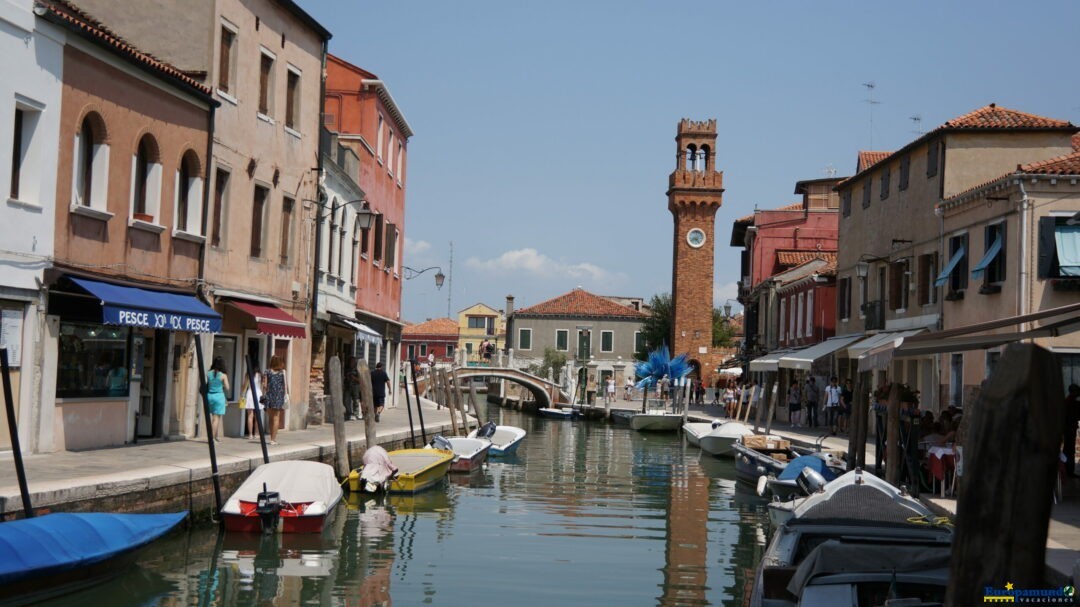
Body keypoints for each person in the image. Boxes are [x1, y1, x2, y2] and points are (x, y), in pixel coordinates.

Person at [263, 356, 289, 445]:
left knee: (270, 417)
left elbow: (265, 386)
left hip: (269, 396)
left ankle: (271, 437)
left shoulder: (267, 371)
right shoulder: (282, 372)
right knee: (276, 417)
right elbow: (285, 385)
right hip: (278, 396)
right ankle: (273, 439)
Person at [206, 356, 230, 443]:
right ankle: (212, 439)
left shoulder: (209, 373)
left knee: (213, 417)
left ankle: (215, 437)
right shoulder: (223, 375)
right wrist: (222, 385)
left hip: (210, 396)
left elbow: (207, 384)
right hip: (219, 396)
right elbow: (227, 387)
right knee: (216, 419)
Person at [240, 369, 262, 438]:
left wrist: (241, 393)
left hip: (250, 393)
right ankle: (256, 433)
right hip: (258, 394)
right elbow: (262, 385)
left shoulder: (248, 374)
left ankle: (250, 434)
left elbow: (244, 386)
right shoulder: (260, 375)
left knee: (250, 415)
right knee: (257, 416)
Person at [1065, 384, 1080, 476]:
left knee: (1069, 450)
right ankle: (1068, 471)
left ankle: (1069, 471)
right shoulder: (1070, 403)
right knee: (1069, 451)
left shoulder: (1070, 402)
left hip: (1069, 430)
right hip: (1069, 430)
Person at [344, 356, 361, 421]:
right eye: (351, 361)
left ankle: (355, 414)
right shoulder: (347, 369)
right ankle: (348, 414)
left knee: (356, 401)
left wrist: (354, 378)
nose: (352, 363)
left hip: (355, 386)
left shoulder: (357, 369)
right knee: (346, 401)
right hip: (347, 386)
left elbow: (361, 380)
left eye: (353, 361)